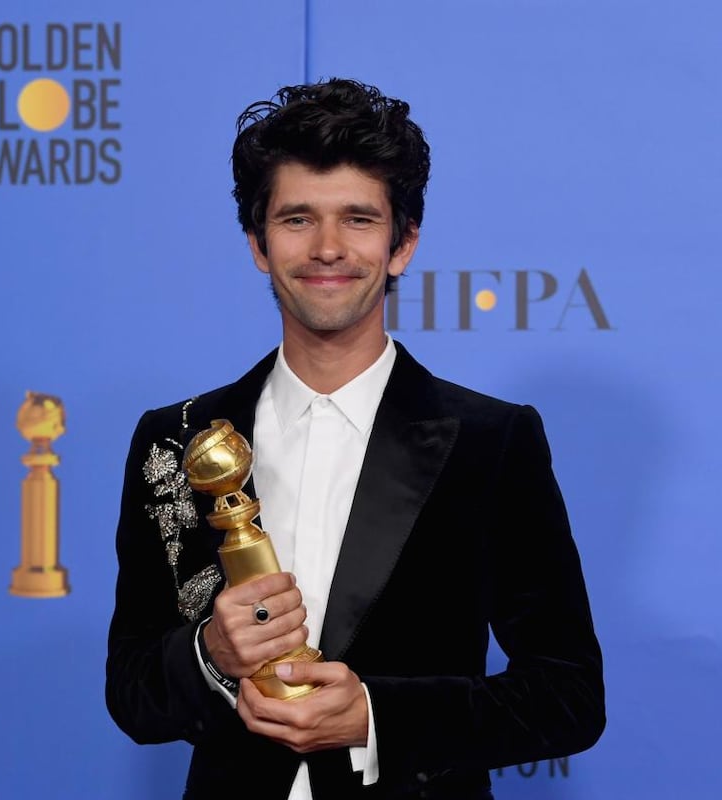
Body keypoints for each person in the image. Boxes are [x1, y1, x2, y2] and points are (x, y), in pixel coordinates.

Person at [105, 77, 605, 800]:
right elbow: (133, 693)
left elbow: (569, 697)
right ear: (257, 243)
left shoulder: (492, 442)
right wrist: (211, 656)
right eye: (298, 219)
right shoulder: (176, 441)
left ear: (402, 244)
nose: (328, 248)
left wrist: (375, 715)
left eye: (359, 220)